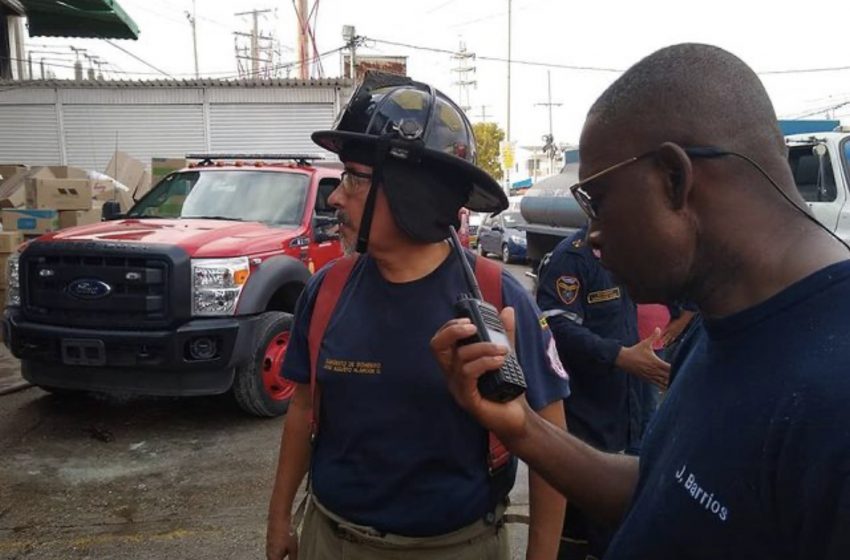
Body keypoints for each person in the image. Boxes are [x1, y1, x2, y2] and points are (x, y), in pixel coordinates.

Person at [431, 43, 850, 558]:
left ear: (674, 179)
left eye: (597, 201)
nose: (594, 233)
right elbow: (662, 493)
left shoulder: (835, 397)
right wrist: (522, 428)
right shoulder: (721, 321)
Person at [266, 72, 571, 560]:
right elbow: (303, 410)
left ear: (411, 192)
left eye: (353, 179)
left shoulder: (500, 300)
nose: (334, 197)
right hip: (331, 539)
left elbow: (552, 445)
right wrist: (280, 517)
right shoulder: (327, 290)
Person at [536, 227, 668, 559]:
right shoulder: (572, 258)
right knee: (582, 522)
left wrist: (660, 343)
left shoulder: (635, 250)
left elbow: (685, 304)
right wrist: (620, 356)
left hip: (634, 404)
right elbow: (557, 327)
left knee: (626, 516)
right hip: (588, 414)